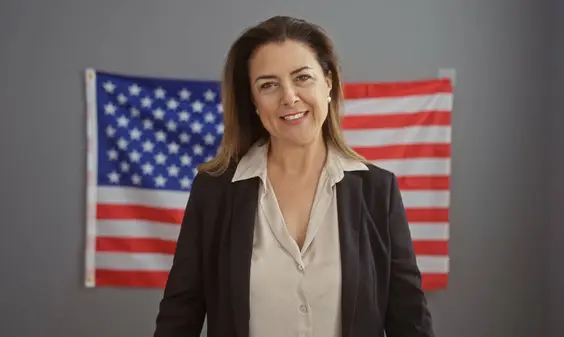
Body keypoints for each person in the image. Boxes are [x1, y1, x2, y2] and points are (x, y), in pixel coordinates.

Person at [153, 15, 435, 337]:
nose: (288, 97)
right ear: (254, 101)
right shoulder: (215, 190)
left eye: (302, 77)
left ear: (328, 83)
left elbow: (410, 320)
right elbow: (180, 315)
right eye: (268, 85)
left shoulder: (377, 190)